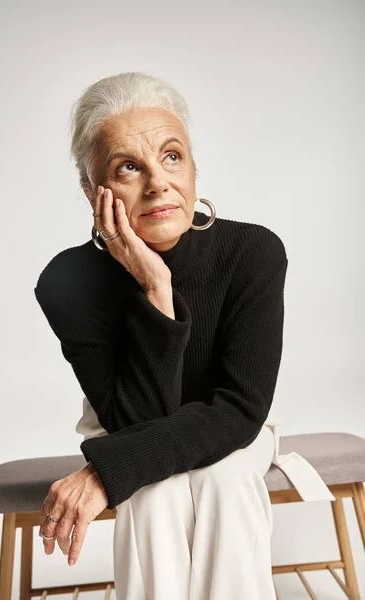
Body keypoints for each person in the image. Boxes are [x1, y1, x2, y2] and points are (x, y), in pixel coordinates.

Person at [34, 71, 334, 600]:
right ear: (91, 191)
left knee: (223, 481)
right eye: (128, 167)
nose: (158, 183)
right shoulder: (68, 281)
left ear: (193, 166)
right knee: (153, 494)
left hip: (231, 427)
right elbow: (135, 422)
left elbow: (239, 409)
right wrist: (155, 286)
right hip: (126, 424)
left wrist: (108, 473)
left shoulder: (253, 253)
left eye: (172, 156)